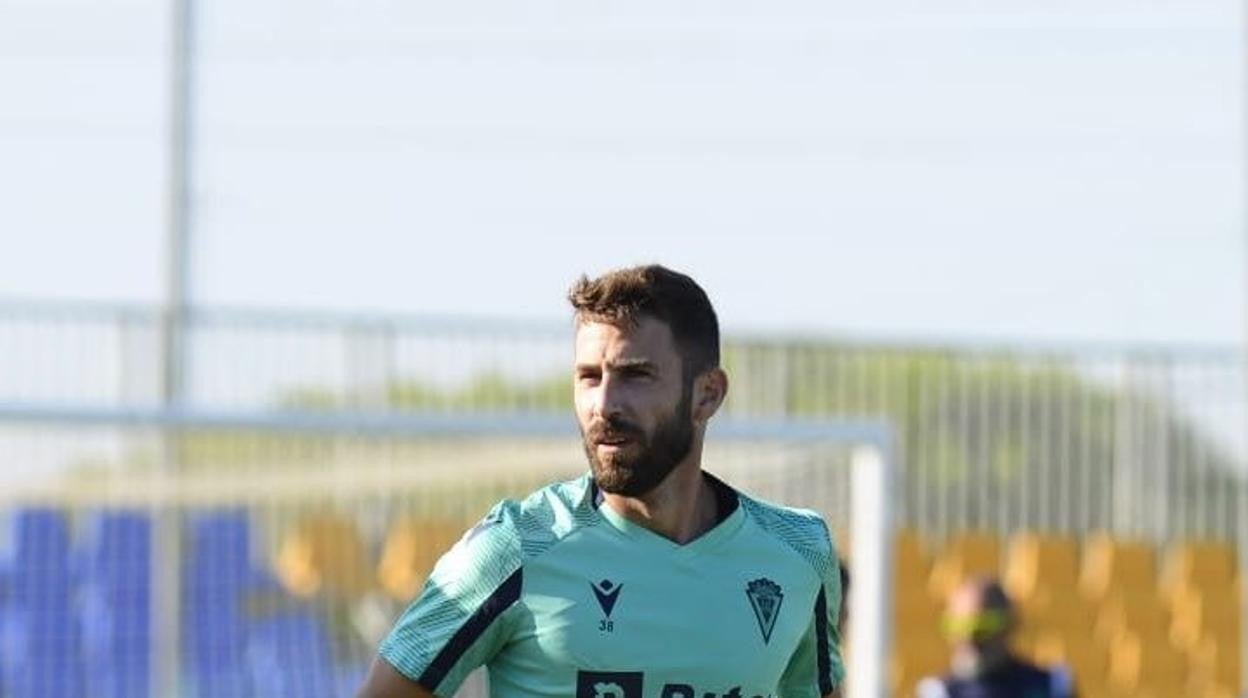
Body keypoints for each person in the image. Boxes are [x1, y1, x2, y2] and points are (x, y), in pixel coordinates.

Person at [357, 264, 845, 698]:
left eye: (635, 376)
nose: (605, 405)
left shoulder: (799, 552)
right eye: (589, 377)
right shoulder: (515, 548)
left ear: (707, 395)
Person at [918, 577, 1074, 698]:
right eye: (958, 627)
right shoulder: (938, 692)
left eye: (983, 627)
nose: (969, 639)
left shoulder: (1052, 686)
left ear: (1010, 626)